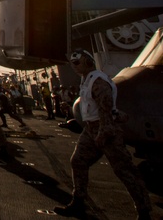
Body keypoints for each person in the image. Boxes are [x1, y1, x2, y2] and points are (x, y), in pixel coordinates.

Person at [54, 49, 152, 220]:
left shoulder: (98, 81)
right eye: (72, 63)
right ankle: (78, 202)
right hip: (91, 128)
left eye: (77, 62)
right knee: (78, 161)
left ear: (88, 62)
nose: (74, 66)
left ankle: (144, 211)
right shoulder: (87, 80)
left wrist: (103, 131)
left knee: (123, 170)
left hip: (106, 128)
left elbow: (105, 108)